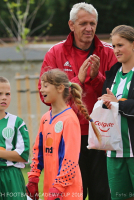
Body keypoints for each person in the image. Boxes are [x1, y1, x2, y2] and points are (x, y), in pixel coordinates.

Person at [38, 2, 118, 200]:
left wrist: (97, 77)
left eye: (93, 23)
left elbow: (116, 96)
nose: (89, 28)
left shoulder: (108, 52)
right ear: (71, 25)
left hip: (101, 134)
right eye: (83, 23)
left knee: (102, 193)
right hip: (67, 136)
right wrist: (78, 81)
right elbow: (44, 95)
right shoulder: (55, 53)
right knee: (73, 194)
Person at [26, 69, 100, 200]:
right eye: (41, 85)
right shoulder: (45, 118)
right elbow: (38, 151)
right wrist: (33, 178)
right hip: (51, 189)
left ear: (60, 88)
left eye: (45, 86)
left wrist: (58, 189)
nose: (41, 90)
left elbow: (70, 160)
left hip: (67, 191)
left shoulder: (69, 119)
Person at [99, 25, 134, 200]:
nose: (116, 50)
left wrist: (118, 104)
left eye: (120, 45)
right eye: (113, 46)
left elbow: (119, 105)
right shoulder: (113, 74)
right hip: (114, 152)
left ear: (133, 45)